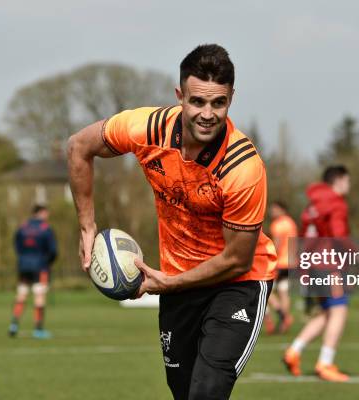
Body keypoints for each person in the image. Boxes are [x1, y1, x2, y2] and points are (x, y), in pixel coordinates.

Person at [67, 44, 276, 400]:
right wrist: (88, 227)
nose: (207, 114)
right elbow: (78, 146)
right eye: (197, 101)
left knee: (207, 389)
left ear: (231, 98)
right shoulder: (146, 128)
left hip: (238, 282)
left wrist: (170, 282)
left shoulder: (243, 168)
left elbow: (237, 259)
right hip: (178, 281)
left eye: (218, 103)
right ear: (180, 96)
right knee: (183, 391)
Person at [283, 165, 351, 382]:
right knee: (339, 309)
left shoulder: (313, 206)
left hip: (312, 263)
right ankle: (325, 363)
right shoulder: (336, 203)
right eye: (347, 180)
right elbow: (339, 235)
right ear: (338, 180)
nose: (349, 185)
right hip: (328, 264)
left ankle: (294, 350)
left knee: (327, 313)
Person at [8, 204, 57, 339]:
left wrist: (23, 258)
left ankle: (13, 325)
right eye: (46, 213)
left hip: (23, 266)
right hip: (40, 266)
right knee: (39, 296)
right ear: (41, 213)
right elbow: (53, 251)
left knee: (21, 294)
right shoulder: (46, 229)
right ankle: (38, 329)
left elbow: (16, 245)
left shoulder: (22, 227)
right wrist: (48, 263)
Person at [264, 201, 297, 334]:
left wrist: (268, 259)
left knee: (267, 291)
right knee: (284, 292)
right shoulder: (291, 223)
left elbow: (277, 245)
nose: (272, 212)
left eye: (274, 209)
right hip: (292, 263)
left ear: (282, 209)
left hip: (279, 263)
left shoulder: (277, 225)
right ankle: (284, 322)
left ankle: (282, 315)